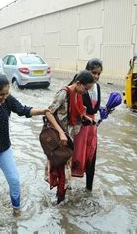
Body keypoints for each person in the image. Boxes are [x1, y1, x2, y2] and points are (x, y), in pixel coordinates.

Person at [0, 75, 48, 216]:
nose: (4, 97)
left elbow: (23, 110)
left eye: (7, 93)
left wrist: (42, 111)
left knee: (14, 179)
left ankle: (16, 212)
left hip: (3, 148)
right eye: (1, 94)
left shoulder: (7, 100)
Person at [44, 70, 95, 203]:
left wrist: (85, 118)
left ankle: (60, 201)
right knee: (63, 173)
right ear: (78, 83)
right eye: (85, 88)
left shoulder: (77, 94)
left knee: (65, 172)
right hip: (59, 140)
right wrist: (61, 132)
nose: (86, 92)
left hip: (69, 140)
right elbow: (48, 112)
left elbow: (77, 112)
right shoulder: (63, 93)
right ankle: (59, 204)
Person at [72, 59, 103, 191]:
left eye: (98, 74)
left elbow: (94, 109)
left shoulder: (97, 87)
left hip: (91, 127)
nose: (96, 76)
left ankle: (88, 190)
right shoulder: (77, 85)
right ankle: (66, 188)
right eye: (93, 72)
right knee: (73, 156)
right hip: (79, 127)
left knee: (91, 158)